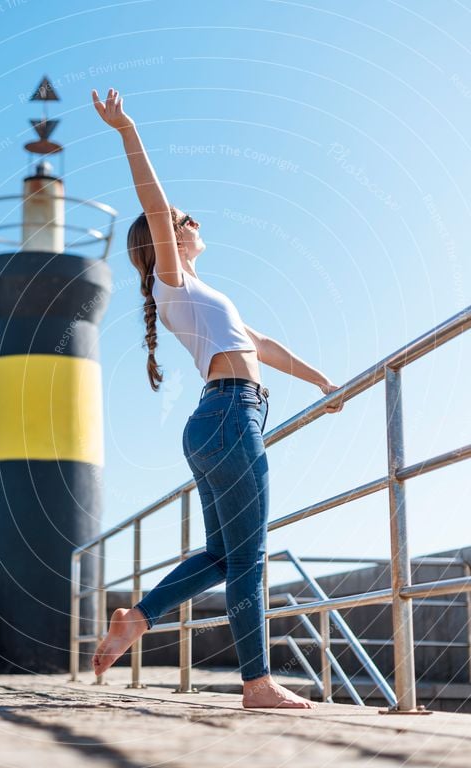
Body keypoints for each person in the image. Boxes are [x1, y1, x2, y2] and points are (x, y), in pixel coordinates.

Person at [90, 88, 344, 709]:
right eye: (182, 219)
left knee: (222, 554)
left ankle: (139, 618)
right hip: (230, 418)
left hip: (220, 420)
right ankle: (256, 683)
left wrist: (321, 383)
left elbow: (264, 344)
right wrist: (128, 131)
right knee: (248, 558)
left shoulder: (202, 294)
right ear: (165, 242)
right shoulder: (171, 280)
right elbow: (152, 199)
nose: (191, 219)